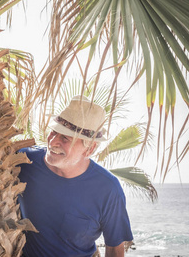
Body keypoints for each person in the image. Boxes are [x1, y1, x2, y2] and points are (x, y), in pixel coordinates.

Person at [18, 95, 133, 257]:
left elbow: (114, 249)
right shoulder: (24, 161)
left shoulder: (108, 189)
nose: (52, 142)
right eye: (54, 132)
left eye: (64, 138)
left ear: (89, 149)